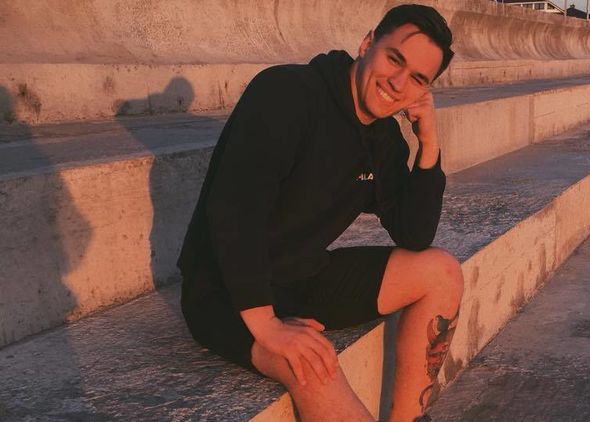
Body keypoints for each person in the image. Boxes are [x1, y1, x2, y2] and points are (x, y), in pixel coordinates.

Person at [177, 4, 464, 421]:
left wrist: (429, 143)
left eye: (418, 78)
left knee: (441, 272)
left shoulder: (383, 137)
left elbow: (414, 234)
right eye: (394, 59)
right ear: (367, 44)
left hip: (302, 278)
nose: (398, 82)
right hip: (225, 293)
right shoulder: (286, 92)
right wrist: (267, 324)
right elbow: (234, 212)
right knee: (312, 363)